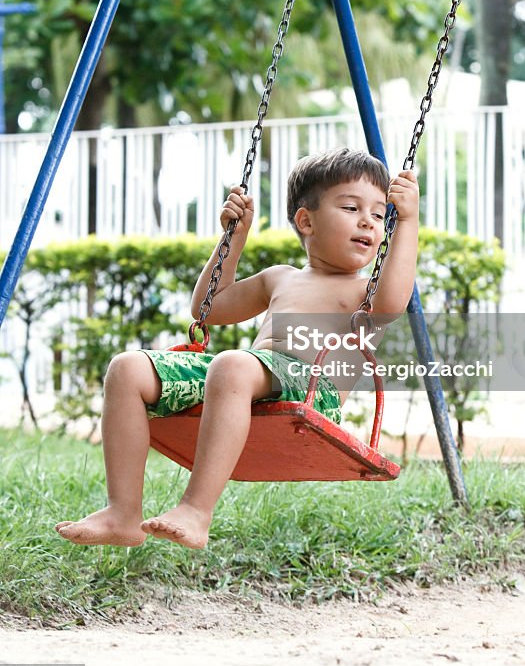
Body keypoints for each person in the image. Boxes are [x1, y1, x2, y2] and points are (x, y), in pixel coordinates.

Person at [55, 148, 419, 550]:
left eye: (379, 213)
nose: (369, 220)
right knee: (126, 369)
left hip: (313, 390)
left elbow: (393, 303)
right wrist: (234, 237)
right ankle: (122, 512)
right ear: (306, 221)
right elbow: (209, 308)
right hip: (248, 377)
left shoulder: (365, 291)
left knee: (232, 365)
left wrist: (408, 222)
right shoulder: (280, 278)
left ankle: (196, 510)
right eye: (351, 207)